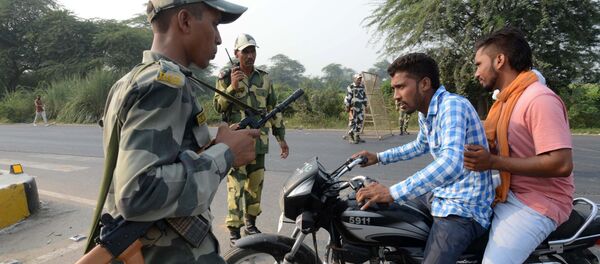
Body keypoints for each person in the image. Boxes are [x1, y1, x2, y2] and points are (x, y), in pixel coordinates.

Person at [97, 1, 258, 263]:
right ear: (184, 21)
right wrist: (225, 155)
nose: (218, 38)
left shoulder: (129, 81)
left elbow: (159, 157)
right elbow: (137, 191)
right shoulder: (165, 84)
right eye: (215, 24)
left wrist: (215, 146)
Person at [353, 53, 493, 264]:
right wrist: (379, 157)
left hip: (463, 207)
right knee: (383, 216)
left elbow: (451, 164)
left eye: (401, 87)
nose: (396, 96)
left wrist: (393, 192)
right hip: (440, 194)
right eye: (394, 89)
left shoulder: (452, 106)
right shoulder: (426, 111)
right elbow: (420, 145)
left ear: (425, 83)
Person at [464, 27, 574, 264]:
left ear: (500, 60)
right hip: (510, 188)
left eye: (478, 64)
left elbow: (561, 163)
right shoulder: (505, 100)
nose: (476, 73)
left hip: (539, 200)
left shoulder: (538, 99)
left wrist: (493, 162)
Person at [213, 33, 289, 246]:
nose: (250, 55)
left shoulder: (264, 78)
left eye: (252, 50)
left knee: (255, 185)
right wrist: (232, 87)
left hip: (259, 141)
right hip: (236, 142)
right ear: (236, 53)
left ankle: (251, 224)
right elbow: (218, 107)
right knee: (235, 187)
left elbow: (273, 109)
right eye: (245, 51)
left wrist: (281, 137)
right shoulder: (226, 76)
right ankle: (234, 231)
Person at [344, 73, 368, 143]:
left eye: (360, 79)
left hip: (360, 107)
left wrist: (366, 105)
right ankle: (351, 137)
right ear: (354, 79)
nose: (359, 80)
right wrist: (347, 106)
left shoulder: (362, 87)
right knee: (353, 122)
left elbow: (364, 96)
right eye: (358, 79)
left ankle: (357, 136)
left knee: (360, 121)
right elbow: (348, 98)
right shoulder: (350, 87)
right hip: (353, 107)